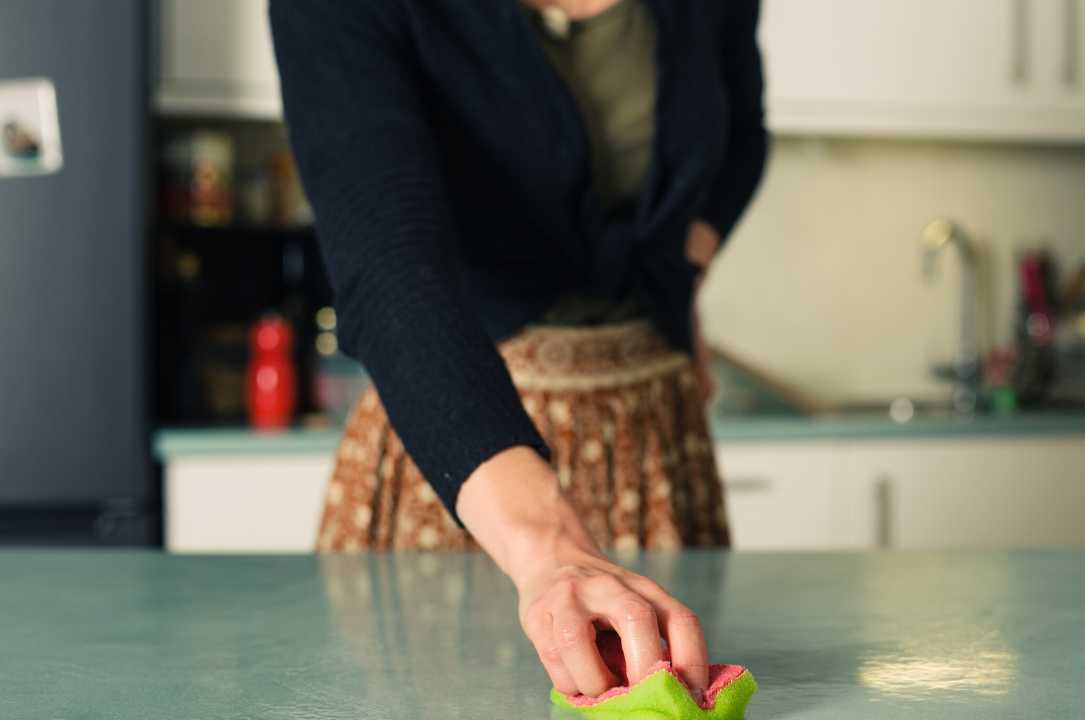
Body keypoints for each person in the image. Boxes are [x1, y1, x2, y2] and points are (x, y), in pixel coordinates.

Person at [269, 0, 767, 701]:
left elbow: (740, 137)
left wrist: (682, 269)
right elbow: (390, 265)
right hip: (467, 456)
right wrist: (548, 550)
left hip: (658, 435)